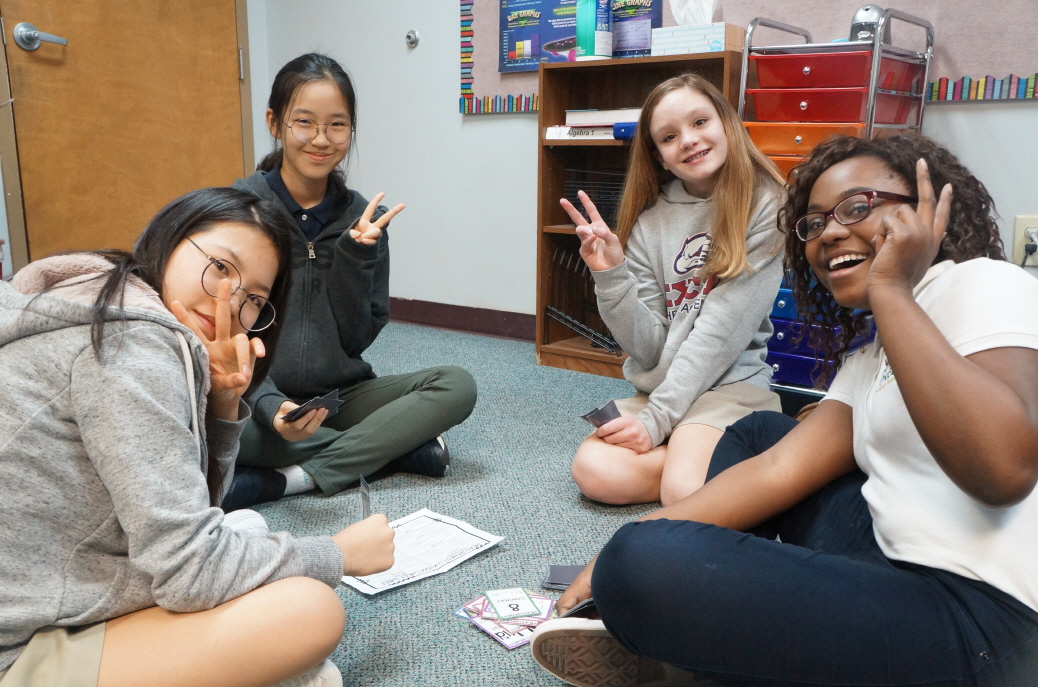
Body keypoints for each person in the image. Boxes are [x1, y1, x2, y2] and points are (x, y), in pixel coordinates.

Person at [530, 134, 1038, 687]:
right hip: (890, 561)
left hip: (984, 625)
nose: (830, 233)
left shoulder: (983, 283)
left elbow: (1004, 472)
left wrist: (891, 289)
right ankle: (755, 634)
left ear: (926, 209)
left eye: (857, 207)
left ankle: (724, 649)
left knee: (641, 562)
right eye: (814, 224)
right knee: (759, 435)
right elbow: (779, 468)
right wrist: (622, 546)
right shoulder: (873, 351)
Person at [0, 188, 396, 687]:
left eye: (255, 299)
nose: (230, 299)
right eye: (221, 267)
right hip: (23, 642)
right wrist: (337, 553)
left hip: (61, 574)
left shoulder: (107, 291)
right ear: (171, 238)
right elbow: (189, 572)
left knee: (245, 528)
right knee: (310, 611)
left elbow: (199, 503)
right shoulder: (133, 349)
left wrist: (225, 402)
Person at [228, 53, 477, 510]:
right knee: (214, 427)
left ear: (351, 130)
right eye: (304, 122)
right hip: (256, 396)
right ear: (275, 123)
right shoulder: (239, 210)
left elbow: (357, 339)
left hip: (337, 399)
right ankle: (390, 450)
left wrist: (354, 257)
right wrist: (270, 405)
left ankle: (291, 479)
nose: (321, 139)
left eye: (337, 125)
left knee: (456, 385)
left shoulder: (365, 219)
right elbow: (223, 334)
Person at [561, 73, 786, 506]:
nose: (688, 140)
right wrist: (611, 276)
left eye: (700, 122)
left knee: (683, 492)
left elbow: (719, 335)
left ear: (726, 123)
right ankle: (714, 456)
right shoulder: (649, 222)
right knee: (595, 473)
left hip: (730, 385)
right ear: (659, 157)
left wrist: (657, 421)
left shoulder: (767, 203)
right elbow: (648, 349)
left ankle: (716, 452)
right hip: (663, 387)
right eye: (669, 136)